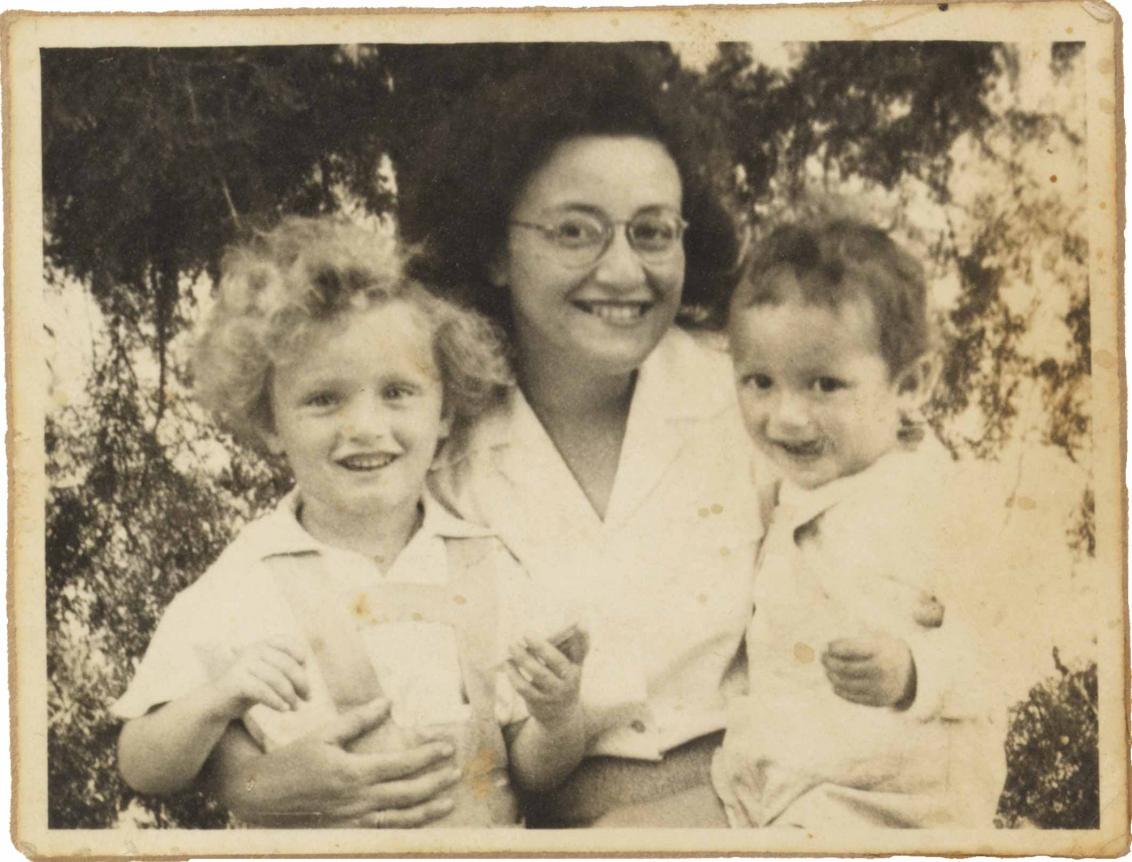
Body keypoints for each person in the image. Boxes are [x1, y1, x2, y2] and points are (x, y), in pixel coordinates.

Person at [113, 217, 590, 827]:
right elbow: (141, 763)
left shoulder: (488, 564)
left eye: (397, 392)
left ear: (445, 411)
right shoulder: (244, 580)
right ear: (268, 424)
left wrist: (558, 716)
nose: (365, 425)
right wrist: (217, 700)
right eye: (323, 399)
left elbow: (533, 771)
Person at [403, 48, 765, 826]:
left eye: (653, 231)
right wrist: (247, 769)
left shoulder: (750, 397)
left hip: (765, 816)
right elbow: (307, 577)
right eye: (577, 231)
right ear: (495, 250)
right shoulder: (433, 444)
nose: (624, 270)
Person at [707, 218, 1007, 828]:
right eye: (760, 382)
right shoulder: (789, 487)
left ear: (913, 384)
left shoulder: (927, 495)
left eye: (825, 385)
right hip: (793, 783)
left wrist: (913, 671)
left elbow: (995, 638)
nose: (787, 418)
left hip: (896, 798)